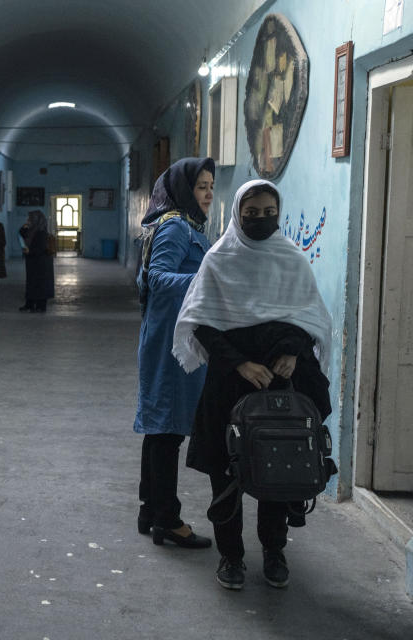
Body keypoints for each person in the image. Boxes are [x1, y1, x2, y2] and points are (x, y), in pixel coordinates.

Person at [173, 180, 333, 591]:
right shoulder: (219, 260)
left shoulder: (291, 258)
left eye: (269, 213)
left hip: (283, 384)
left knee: (279, 469)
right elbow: (202, 325)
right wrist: (240, 363)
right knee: (226, 475)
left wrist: (295, 352)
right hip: (231, 382)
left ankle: (275, 551)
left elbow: (308, 318)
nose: (261, 221)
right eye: (252, 213)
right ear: (237, 215)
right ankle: (230, 557)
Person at [134, 157, 215, 549]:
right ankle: (167, 518)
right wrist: (209, 279)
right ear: (184, 190)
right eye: (201, 187)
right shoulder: (176, 227)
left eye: (211, 187)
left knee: (161, 428)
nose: (209, 194)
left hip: (167, 336)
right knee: (167, 431)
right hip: (171, 342)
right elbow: (158, 278)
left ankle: (150, 510)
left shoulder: (178, 225)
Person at [19, 209, 55, 312]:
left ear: (36, 219)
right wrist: (24, 225)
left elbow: (40, 249)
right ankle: (29, 304)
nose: (28, 220)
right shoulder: (32, 230)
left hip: (41, 263)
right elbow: (21, 233)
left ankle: (41, 306)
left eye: (30, 218)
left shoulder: (41, 232)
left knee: (40, 284)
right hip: (32, 261)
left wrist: (28, 251)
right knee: (31, 283)